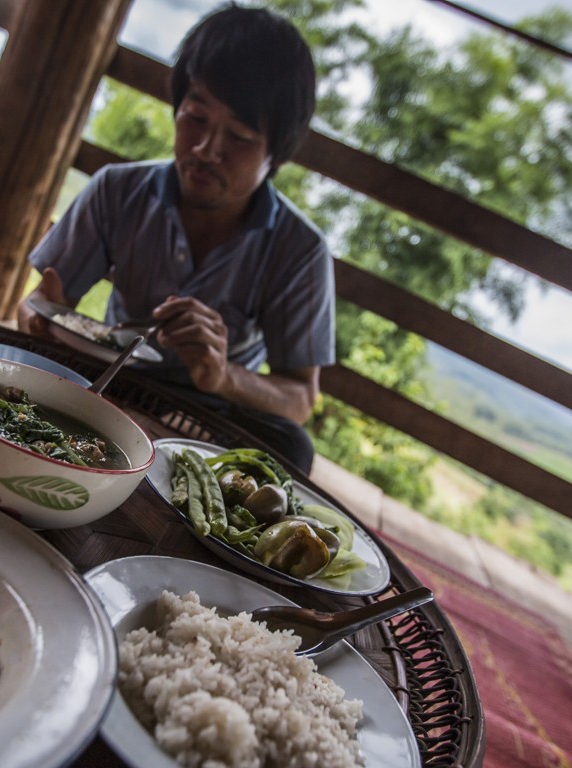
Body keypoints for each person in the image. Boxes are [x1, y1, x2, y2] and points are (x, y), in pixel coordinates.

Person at [17, 3, 334, 473]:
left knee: (291, 445)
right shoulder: (117, 190)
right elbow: (37, 304)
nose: (207, 150)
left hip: (211, 407)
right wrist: (41, 319)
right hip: (114, 374)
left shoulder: (299, 251)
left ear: (277, 156)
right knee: (8, 360)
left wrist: (222, 375)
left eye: (241, 137)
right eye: (196, 118)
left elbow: (299, 398)